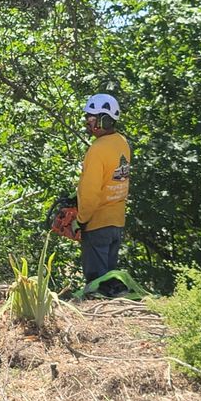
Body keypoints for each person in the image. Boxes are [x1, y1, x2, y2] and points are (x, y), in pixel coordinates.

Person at [77, 93, 131, 295]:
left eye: (91, 118)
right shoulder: (122, 142)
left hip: (97, 222)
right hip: (116, 221)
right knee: (109, 277)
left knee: (98, 284)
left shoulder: (97, 150)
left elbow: (91, 192)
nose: (88, 123)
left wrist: (81, 219)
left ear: (103, 119)